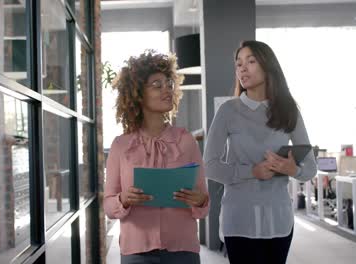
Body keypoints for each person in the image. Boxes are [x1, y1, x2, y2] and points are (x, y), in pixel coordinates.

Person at [204, 40, 317, 264]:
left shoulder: (288, 110)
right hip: (239, 220)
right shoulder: (228, 111)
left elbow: (310, 168)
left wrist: (293, 169)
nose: (242, 69)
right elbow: (210, 166)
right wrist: (252, 172)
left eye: (251, 61)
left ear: (268, 66)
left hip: (279, 220)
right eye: (238, 64)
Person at [103, 50, 210, 264]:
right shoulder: (120, 146)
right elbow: (108, 206)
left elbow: (203, 202)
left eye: (169, 84)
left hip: (183, 249)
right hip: (137, 252)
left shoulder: (186, 140)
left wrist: (199, 200)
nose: (167, 90)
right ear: (138, 94)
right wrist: (123, 199)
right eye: (157, 85)